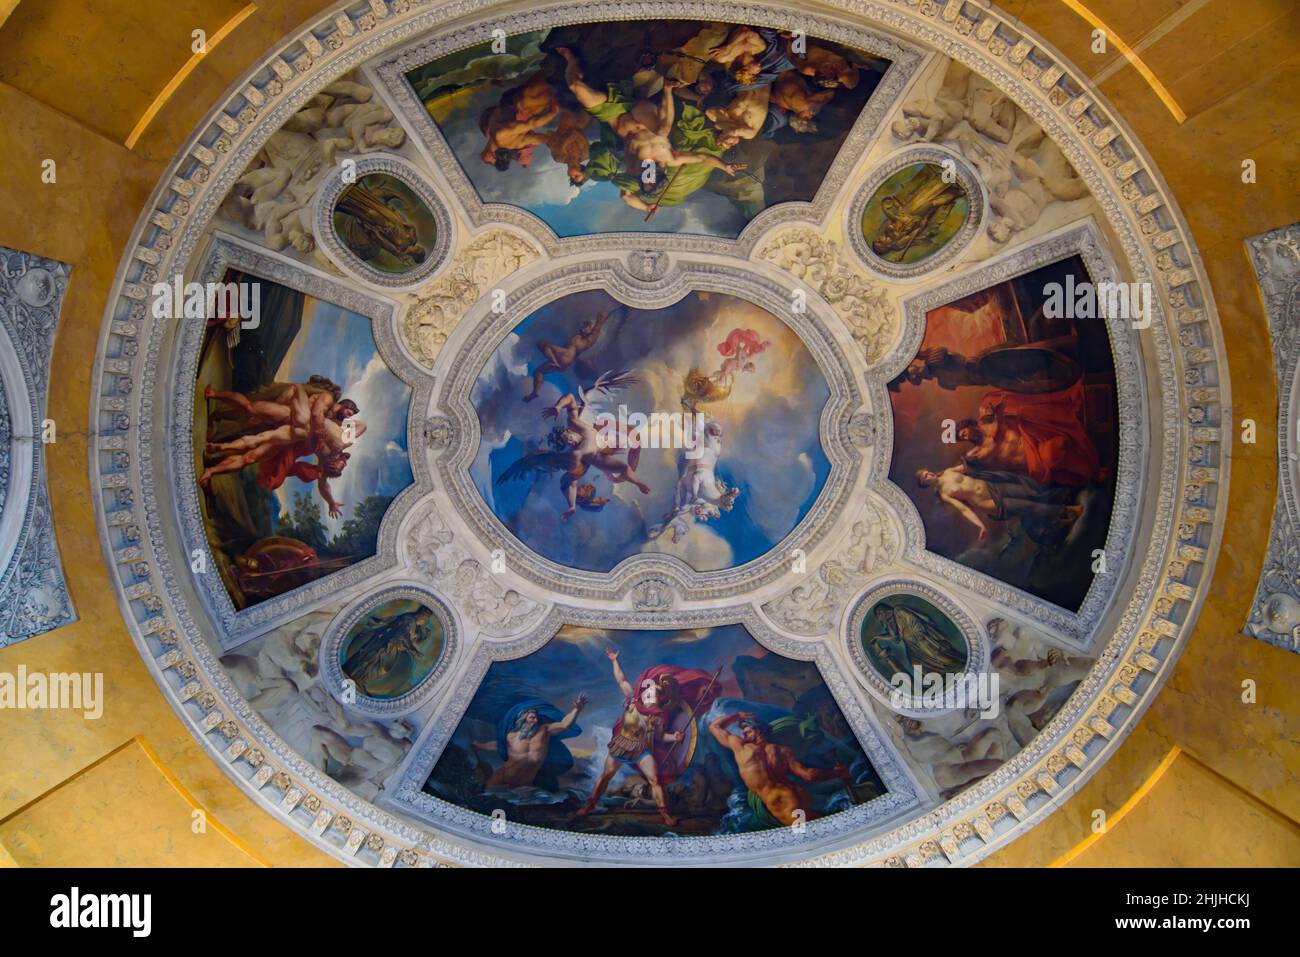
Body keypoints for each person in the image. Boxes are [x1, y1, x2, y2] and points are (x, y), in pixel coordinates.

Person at [707, 711, 849, 825]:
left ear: (758, 730)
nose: (743, 733)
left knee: (808, 839)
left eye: (747, 730)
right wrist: (835, 773)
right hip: (796, 800)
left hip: (789, 807)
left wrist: (736, 716)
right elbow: (808, 775)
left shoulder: (741, 748)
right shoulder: (782, 751)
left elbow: (715, 726)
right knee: (819, 830)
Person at [470, 696, 587, 790]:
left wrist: (577, 709)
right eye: (532, 717)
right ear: (523, 719)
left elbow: (564, 724)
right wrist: (480, 746)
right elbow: (498, 745)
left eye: (536, 718)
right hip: (501, 777)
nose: (535, 721)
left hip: (524, 784)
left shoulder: (544, 731)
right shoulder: (512, 735)